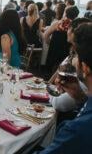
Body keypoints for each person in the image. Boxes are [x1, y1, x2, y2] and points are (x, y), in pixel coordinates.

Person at [39, 23, 92, 154]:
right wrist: (80, 98)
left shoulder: (77, 130)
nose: (73, 59)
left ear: (85, 68)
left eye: (76, 56)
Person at [50, 18, 91, 115]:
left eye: (69, 28)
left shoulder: (82, 59)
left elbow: (60, 103)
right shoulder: (73, 52)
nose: (67, 31)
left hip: (65, 110)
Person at [45, 5, 79, 74]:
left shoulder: (58, 23)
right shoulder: (76, 26)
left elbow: (46, 35)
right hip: (66, 51)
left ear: (65, 13)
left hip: (54, 49)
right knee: (63, 71)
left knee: (50, 69)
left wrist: (50, 43)